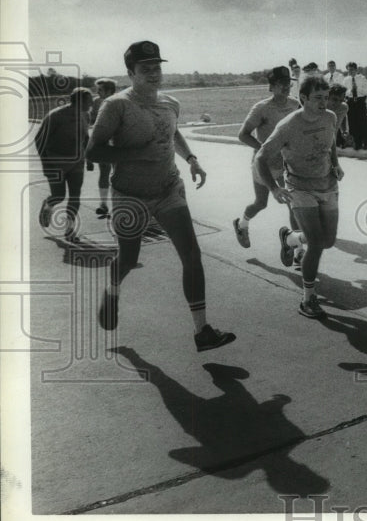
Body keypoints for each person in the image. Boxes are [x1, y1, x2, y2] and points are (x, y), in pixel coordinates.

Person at [87, 41, 234, 351]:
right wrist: (138, 153)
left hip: (169, 189)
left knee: (192, 256)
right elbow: (94, 151)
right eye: (145, 69)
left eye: (157, 67)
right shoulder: (116, 105)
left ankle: (202, 330)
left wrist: (191, 158)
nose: (154, 73)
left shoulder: (170, 102)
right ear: (131, 73)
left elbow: (173, 132)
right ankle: (112, 292)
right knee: (128, 259)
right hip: (130, 195)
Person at [254, 73, 344, 320]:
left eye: (326, 98)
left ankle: (291, 237)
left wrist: (335, 164)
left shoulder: (330, 117)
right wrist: (274, 188)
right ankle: (308, 299)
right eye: (317, 98)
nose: (324, 103)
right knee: (316, 243)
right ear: (302, 98)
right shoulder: (289, 125)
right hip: (299, 187)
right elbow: (261, 157)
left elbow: (331, 142)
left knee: (328, 241)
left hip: (327, 185)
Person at [233, 65, 299, 249]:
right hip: (265, 165)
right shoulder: (262, 108)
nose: (286, 87)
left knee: (294, 205)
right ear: (271, 86)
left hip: (287, 164)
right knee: (261, 203)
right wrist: (265, 149)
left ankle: (296, 248)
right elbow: (243, 134)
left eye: (288, 83)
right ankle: (242, 224)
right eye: (281, 83)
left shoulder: (295, 104)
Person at [36, 86, 93, 241]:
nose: (92, 104)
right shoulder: (55, 116)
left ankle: (69, 228)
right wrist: (46, 164)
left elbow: (86, 137)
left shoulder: (85, 115)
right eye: (89, 101)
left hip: (77, 163)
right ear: (79, 101)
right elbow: (39, 140)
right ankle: (48, 205)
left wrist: (89, 158)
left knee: (75, 195)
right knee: (58, 196)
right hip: (56, 162)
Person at [88, 78, 117, 218]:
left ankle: (119, 205)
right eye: (97, 90)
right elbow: (92, 120)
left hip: (119, 141)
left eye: (100, 90)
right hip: (103, 141)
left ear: (110, 91)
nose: (97, 93)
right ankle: (103, 204)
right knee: (104, 172)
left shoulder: (120, 101)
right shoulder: (96, 102)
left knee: (120, 173)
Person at [343, 62, 367, 150]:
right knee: (352, 123)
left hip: (360, 101)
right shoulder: (346, 80)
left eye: (351, 69)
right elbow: (344, 92)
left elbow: (366, 91)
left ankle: (366, 142)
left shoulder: (362, 78)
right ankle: (356, 143)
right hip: (350, 101)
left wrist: (357, 88)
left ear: (356, 69)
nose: (350, 71)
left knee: (363, 122)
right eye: (348, 70)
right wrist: (351, 90)